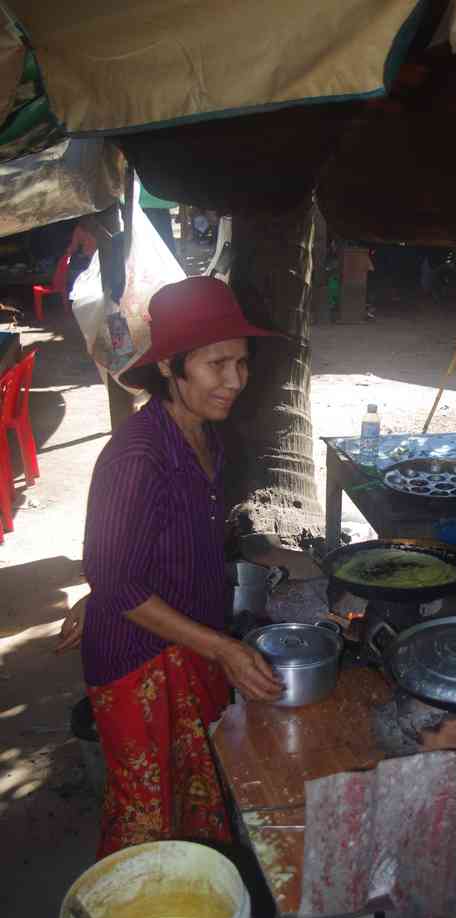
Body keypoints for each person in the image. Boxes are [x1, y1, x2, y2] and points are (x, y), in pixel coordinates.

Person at [57, 276, 284, 858]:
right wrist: (223, 648)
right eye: (217, 364)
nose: (235, 380)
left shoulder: (208, 437)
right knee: (147, 817)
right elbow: (117, 580)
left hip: (194, 639)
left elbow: (142, 551)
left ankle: (204, 896)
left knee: (197, 793)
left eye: (241, 362)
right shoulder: (137, 456)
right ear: (169, 367)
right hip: (137, 660)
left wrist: (106, 587)